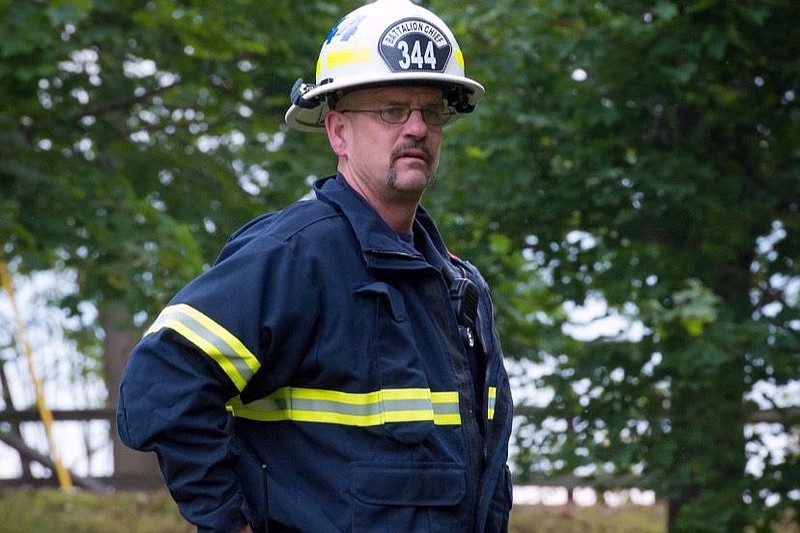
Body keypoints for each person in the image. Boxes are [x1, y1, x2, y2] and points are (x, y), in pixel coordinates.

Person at [116, 1, 513, 531]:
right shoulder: (295, 256)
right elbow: (162, 383)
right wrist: (228, 523)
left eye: (432, 111)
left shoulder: (454, 284)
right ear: (338, 133)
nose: (416, 127)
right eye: (392, 110)